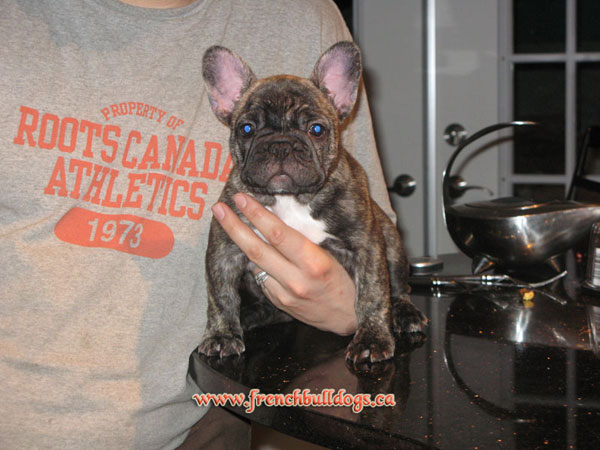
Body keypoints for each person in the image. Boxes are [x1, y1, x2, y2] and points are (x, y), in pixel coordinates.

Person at [0, 0, 395, 448]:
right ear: (223, 102)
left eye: (314, 131)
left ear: (342, 101)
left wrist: (356, 312)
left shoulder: (303, 15)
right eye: (251, 130)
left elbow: (374, 233)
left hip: (210, 418)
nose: (282, 148)